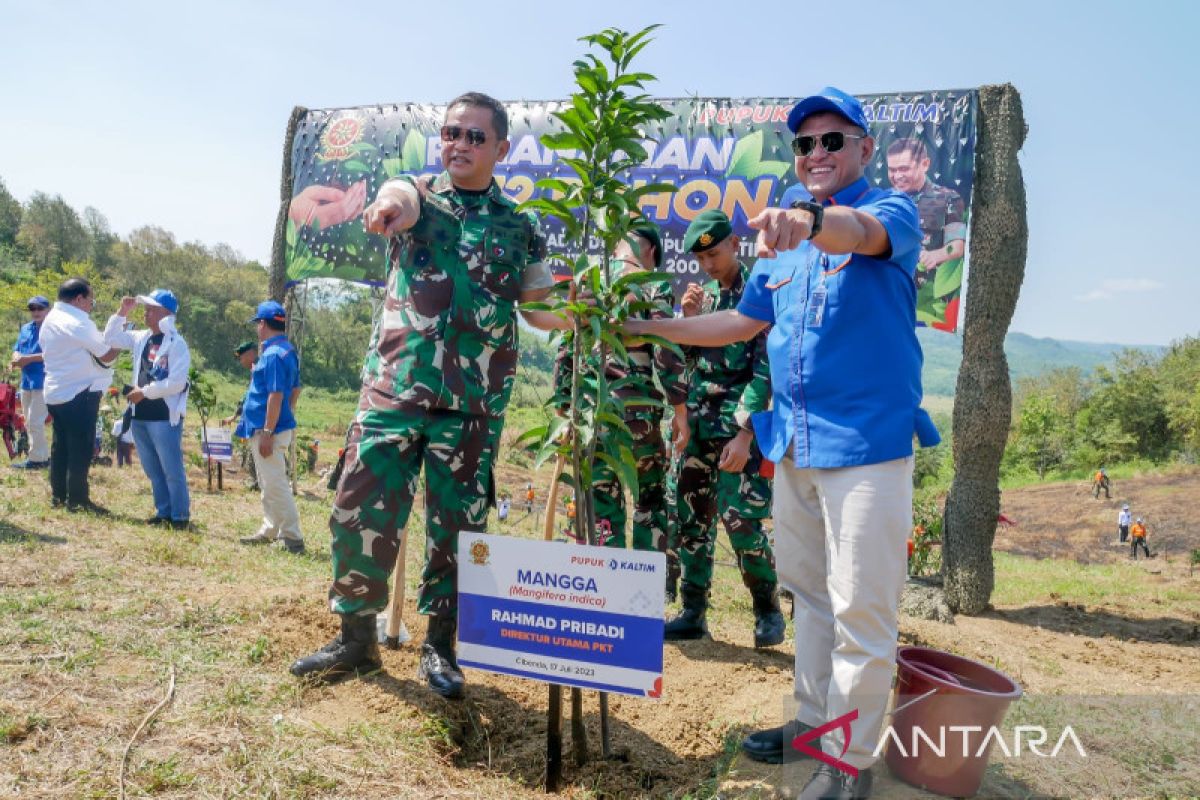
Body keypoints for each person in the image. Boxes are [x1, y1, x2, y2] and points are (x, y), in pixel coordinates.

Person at [625, 87, 938, 800]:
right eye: (805, 144)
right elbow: (738, 324)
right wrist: (652, 329)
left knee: (863, 609)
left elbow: (855, 234)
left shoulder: (890, 212)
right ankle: (811, 726)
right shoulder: (778, 250)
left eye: (833, 140)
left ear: (863, 148)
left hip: (865, 446)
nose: (818, 153)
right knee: (813, 600)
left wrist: (810, 219)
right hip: (795, 446)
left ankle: (847, 765)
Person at [290, 92, 556, 699]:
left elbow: (541, 307)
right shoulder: (418, 194)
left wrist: (584, 314)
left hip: (470, 406)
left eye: (473, 136)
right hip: (395, 389)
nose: (458, 144)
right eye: (450, 133)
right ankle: (355, 640)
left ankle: (440, 647)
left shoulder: (519, 227)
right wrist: (389, 206)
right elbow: (399, 199)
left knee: (458, 530)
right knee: (359, 509)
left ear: (500, 149)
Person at [665, 210, 784, 649]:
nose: (708, 265)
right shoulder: (706, 296)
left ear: (735, 244)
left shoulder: (761, 292)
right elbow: (689, 366)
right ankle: (693, 611)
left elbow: (765, 371)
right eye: (701, 258)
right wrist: (688, 321)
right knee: (690, 520)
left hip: (738, 427)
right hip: (697, 423)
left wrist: (746, 433)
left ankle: (767, 609)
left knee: (741, 520)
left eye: (714, 254)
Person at [550, 222, 688, 553]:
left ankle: (600, 594)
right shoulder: (650, 284)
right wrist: (680, 410)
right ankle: (641, 593)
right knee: (650, 502)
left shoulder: (588, 280)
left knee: (598, 503)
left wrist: (562, 409)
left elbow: (567, 346)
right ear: (651, 252)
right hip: (636, 416)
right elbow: (664, 350)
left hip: (590, 414)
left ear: (616, 248)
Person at [104, 291, 192, 529]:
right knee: (152, 468)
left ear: (166, 314)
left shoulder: (176, 343)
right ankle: (163, 512)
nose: (146, 312)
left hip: (163, 417)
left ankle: (180, 516)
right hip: (140, 414)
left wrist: (145, 392)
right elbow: (110, 339)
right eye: (146, 308)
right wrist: (122, 312)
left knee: (172, 468)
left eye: (152, 308)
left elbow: (176, 383)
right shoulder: (142, 337)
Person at [39, 278, 121, 513]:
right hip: (78, 392)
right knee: (80, 447)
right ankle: (78, 499)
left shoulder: (51, 318)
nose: (90, 306)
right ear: (79, 299)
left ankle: (58, 495)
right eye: (90, 301)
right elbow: (105, 355)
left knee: (61, 445)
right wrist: (120, 341)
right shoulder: (77, 322)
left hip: (55, 391)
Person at [236, 301, 305, 554]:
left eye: (258, 324)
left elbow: (275, 395)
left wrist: (268, 429)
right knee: (269, 481)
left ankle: (292, 537)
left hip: (269, 430)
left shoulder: (274, 354)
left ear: (262, 324)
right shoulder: (286, 350)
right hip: (274, 425)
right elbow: (295, 389)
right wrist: (284, 416)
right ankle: (270, 528)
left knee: (275, 483)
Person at [885, 138, 966, 290]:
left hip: (923, 294)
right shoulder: (881, 202)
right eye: (892, 170)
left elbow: (956, 246)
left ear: (925, 164)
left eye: (904, 169)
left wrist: (936, 256)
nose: (897, 176)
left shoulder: (947, 198)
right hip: (885, 290)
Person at [9, 295, 50, 469]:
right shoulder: (26, 329)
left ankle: (38, 460)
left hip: (44, 380)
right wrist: (15, 358)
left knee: (35, 421)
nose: (36, 312)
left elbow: (53, 354)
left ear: (48, 310)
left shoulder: (52, 329)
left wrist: (28, 359)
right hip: (26, 381)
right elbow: (17, 350)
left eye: (40, 308)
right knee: (29, 421)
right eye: (32, 309)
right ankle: (41, 457)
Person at [223, 341, 259, 490]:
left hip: (260, 422)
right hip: (254, 420)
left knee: (258, 456)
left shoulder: (258, 369)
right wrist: (235, 415)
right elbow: (247, 396)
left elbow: (250, 396)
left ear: (251, 354)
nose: (240, 361)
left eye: (241, 357)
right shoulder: (254, 369)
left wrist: (235, 415)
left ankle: (261, 484)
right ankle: (259, 483)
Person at [112, 399, 135, 468]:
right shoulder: (131, 423)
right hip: (128, 443)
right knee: (128, 458)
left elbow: (114, 433)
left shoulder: (117, 423)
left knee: (119, 457)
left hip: (119, 442)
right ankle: (129, 470)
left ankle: (120, 469)